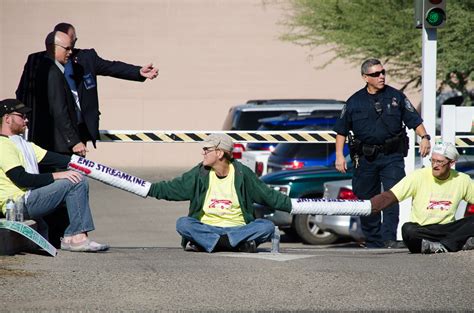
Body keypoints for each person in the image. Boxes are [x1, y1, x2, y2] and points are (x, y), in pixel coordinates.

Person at [334, 58, 431, 249]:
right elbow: (341, 131)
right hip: (365, 158)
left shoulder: (396, 97)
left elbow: (414, 119)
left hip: (392, 156)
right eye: (375, 74)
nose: (381, 77)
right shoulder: (354, 101)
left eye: (383, 72)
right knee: (366, 198)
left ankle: (388, 239)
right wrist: (339, 156)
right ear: (365, 77)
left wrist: (425, 137)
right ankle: (373, 241)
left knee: (392, 195)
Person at [16, 22, 159, 151]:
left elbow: (111, 67)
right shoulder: (36, 60)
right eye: (66, 45)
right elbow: (23, 92)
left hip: (77, 127)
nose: (70, 49)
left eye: (72, 43)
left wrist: (138, 72)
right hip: (46, 129)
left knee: (75, 173)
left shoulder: (86, 58)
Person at [147, 134, 292, 253]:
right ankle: (235, 244)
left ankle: (210, 243)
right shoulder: (199, 173)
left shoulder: (243, 173)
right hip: (207, 227)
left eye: (206, 149)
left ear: (220, 153)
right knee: (183, 224)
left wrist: (293, 205)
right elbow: (172, 188)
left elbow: (268, 195)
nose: (202, 152)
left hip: (239, 228)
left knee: (265, 226)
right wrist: (148, 189)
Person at [0, 98, 108, 252]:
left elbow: (63, 160)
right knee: (75, 181)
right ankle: (77, 237)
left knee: (75, 175)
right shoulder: (2, 145)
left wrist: (98, 169)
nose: (26, 119)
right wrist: (58, 176)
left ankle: (71, 236)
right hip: (17, 205)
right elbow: (21, 179)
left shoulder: (25, 145)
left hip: (29, 198)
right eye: (21, 116)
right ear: (7, 118)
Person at [370, 142, 474, 254]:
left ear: (452, 163)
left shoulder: (462, 180)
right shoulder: (418, 176)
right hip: (422, 230)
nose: (434, 165)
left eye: (439, 162)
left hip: (447, 229)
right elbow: (390, 196)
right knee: (407, 229)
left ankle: (442, 245)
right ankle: (454, 244)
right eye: (432, 160)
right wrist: (367, 206)